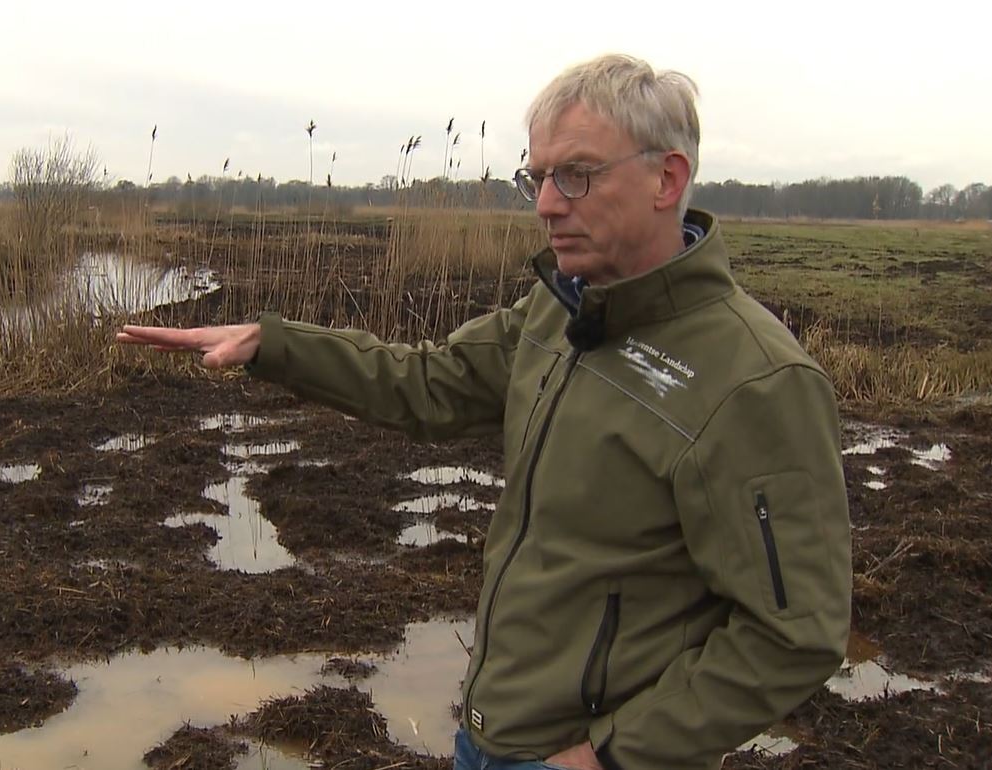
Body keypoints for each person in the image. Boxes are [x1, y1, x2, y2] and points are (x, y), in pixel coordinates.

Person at [117, 54, 851, 770]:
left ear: (667, 178)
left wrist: (611, 757)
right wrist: (272, 345)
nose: (545, 203)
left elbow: (793, 633)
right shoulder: (559, 311)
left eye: (576, 174)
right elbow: (430, 381)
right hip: (489, 731)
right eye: (535, 178)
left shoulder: (754, 380)